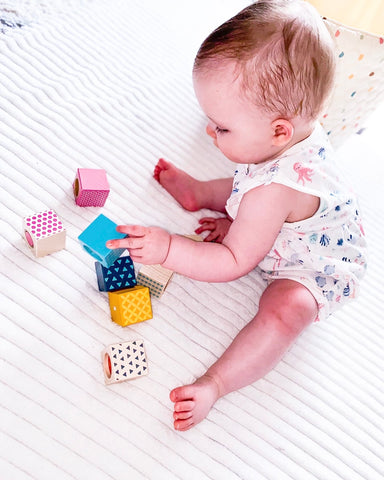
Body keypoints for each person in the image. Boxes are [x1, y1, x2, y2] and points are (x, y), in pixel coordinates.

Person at [106, 0, 367, 431]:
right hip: (283, 214)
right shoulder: (283, 135)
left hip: (315, 266)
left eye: (222, 127)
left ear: (279, 130)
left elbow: (231, 263)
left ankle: (217, 384)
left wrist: (167, 247)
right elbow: (250, 179)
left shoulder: (274, 186)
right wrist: (213, 194)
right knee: (249, 179)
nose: (210, 133)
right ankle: (204, 194)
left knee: (285, 309)